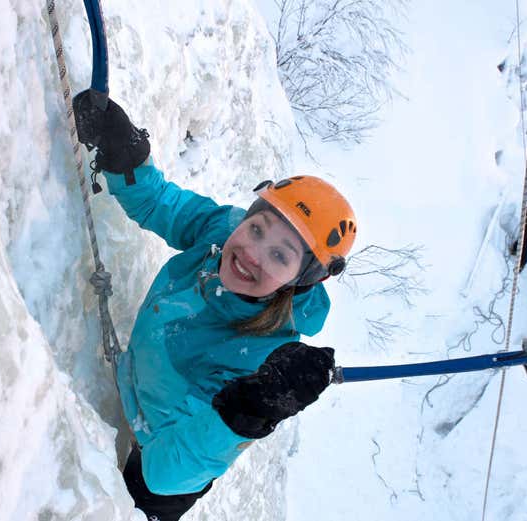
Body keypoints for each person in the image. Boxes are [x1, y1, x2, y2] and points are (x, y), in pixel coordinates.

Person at [73, 92, 355, 521]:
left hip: (175, 454)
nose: (252, 252)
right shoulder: (222, 231)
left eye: (281, 256)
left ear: (301, 281)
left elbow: (165, 472)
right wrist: (126, 157)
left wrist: (245, 412)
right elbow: (161, 204)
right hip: (136, 387)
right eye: (257, 227)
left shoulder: (257, 359)